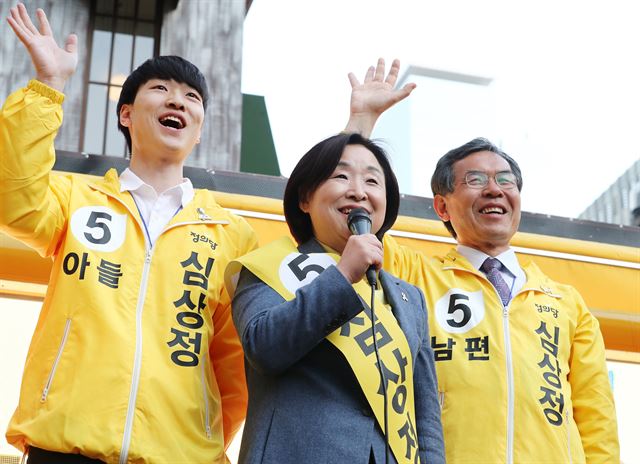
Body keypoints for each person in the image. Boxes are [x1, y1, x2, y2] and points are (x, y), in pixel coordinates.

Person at [0, 4, 257, 463]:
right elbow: (14, 199)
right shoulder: (77, 201)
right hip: (63, 446)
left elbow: (233, 364)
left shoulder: (231, 234)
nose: (177, 100)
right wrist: (48, 86)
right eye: (160, 89)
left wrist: (202, 441)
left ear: (197, 131)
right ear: (126, 115)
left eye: (191, 97)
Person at [344, 59, 620, 463]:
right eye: (475, 181)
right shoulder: (413, 276)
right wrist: (360, 123)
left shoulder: (566, 303)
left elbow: (597, 424)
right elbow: (343, 221)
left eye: (505, 180)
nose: (494, 190)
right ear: (442, 205)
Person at [224, 132, 445, 464]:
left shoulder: (409, 298)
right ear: (305, 199)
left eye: (373, 181)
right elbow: (264, 347)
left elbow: (425, 419)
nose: (358, 191)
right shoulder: (270, 267)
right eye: (341, 176)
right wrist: (343, 275)